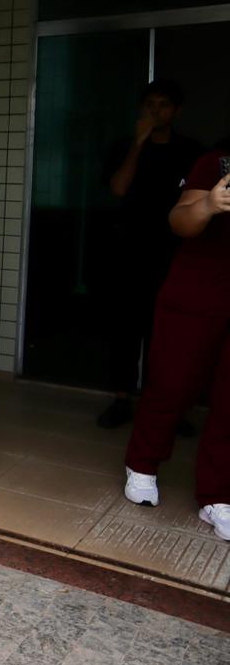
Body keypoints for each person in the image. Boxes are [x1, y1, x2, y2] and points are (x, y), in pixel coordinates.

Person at [122, 147, 230, 541]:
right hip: (197, 293)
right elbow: (179, 220)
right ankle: (142, 464)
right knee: (172, 385)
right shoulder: (217, 162)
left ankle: (218, 496)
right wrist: (210, 204)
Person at [98, 79, 201, 429]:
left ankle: (169, 407)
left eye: (164, 105)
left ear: (177, 111)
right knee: (125, 330)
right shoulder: (125, 147)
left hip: (175, 256)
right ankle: (121, 399)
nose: (156, 112)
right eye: (150, 105)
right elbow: (118, 188)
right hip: (129, 253)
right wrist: (138, 144)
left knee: (170, 335)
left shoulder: (191, 152)